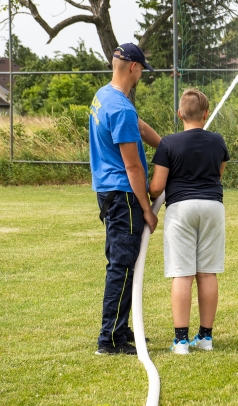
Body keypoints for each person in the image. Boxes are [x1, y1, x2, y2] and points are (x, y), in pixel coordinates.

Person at [90, 42, 161, 355]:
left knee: (121, 262)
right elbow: (133, 166)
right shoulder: (120, 108)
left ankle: (120, 328)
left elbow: (140, 127)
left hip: (109, 191)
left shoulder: (105, 96)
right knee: (122, 266)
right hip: (123, 195)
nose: (141, 75)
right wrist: (147, 209)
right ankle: (110, 339)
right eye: (142, 69)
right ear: (133, 67)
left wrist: (169, 147)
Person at [149, 88, 229, 355]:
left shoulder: (168, 143)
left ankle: (181, 341)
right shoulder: (218, 141)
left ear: (179, 113)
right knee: (207, 273)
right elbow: (218, 174)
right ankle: (205, 338)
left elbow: (156, 188)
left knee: (182, 273)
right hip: (212, 207)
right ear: (206, 114)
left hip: (181, 209)